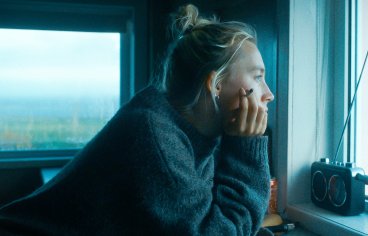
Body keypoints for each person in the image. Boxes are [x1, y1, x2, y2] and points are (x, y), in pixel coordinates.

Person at [0, 4, 274, 235]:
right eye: (258, 77)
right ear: (215, 85)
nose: (269, 94)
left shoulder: (186, 130)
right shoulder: (155, 137)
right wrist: (246, 149)